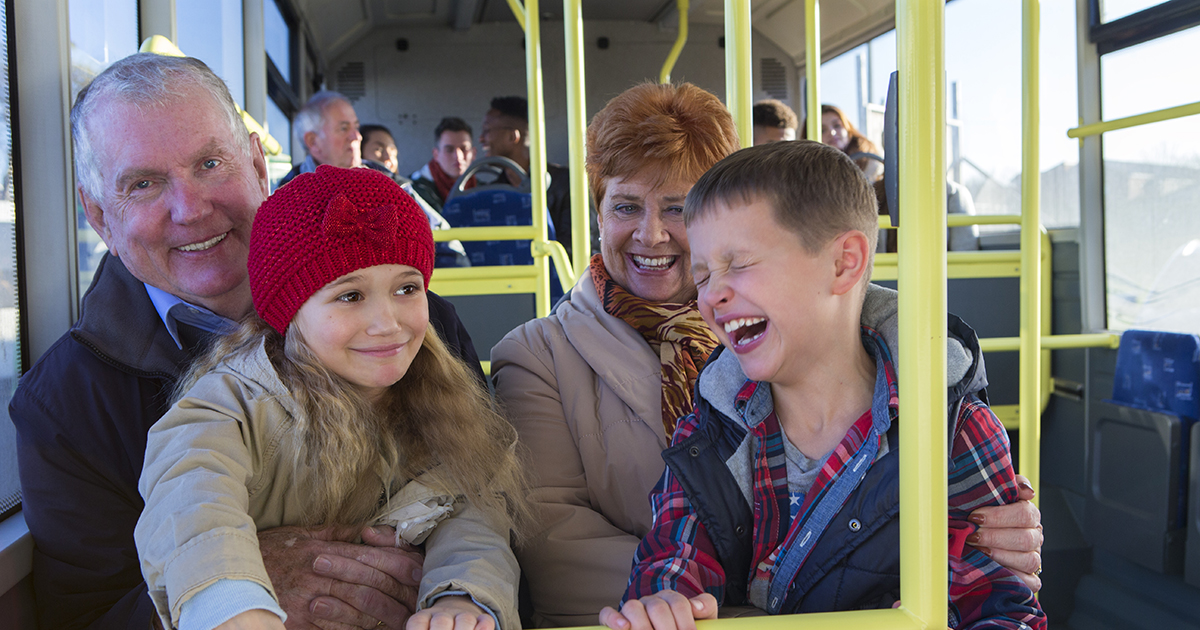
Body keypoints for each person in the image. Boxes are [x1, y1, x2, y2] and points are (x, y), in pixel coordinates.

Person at [490, 82, 1044, 628]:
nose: (650, 233)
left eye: (678, 208)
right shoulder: (705, 412)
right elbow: (617, 554)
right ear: (599, 214)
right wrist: (763, 609)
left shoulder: (934, 408)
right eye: (626, 207)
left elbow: (993, 594)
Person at [10, 53, 482, 630]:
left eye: (210, 163)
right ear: (101, 218)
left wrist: (462, 596)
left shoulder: (419, 327)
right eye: (143, 184)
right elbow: (87, 617)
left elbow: (489, 504)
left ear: (258, 166)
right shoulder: (65, 403)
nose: (191, 209)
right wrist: (240, 581)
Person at [136, 165, 529, 630]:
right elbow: (192, 499)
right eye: (350, 296)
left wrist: (462, 600)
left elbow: (471, 520)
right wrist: (230, 604)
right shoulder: (233, 406)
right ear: (291, 312)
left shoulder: (441, 405)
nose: (387, 322)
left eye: (407, 288)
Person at [479, 96, 578, 258]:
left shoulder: (568, 184)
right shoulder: (491, 191)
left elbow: (575, 248)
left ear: (512, 137)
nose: (481, 138)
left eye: (487, 130)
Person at [802, 104, 883, 182]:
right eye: (822, 130)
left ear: (847, 128)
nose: (832, 133)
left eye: (837, 125)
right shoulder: (806, 171)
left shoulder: (869, 161)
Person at [411, 116, 477, 212]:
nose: (458, 156)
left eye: (464, 149)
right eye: (449, 150)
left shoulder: (482, 187)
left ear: (474, 153)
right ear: (436, 154)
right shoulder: (415, 190)